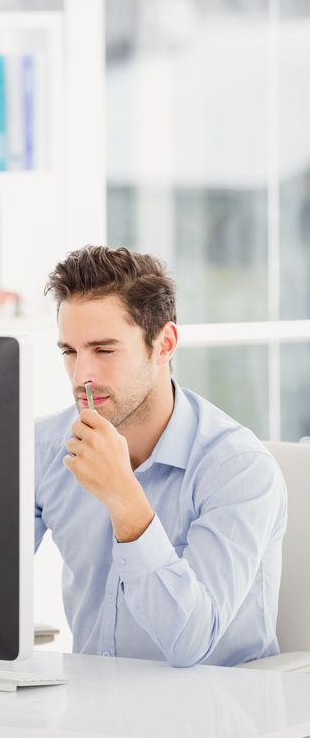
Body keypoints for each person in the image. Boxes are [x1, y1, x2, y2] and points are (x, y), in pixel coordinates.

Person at [35, 245, 287, 667]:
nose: (83, 376)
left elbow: (191, 642)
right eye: (70, 352)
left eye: (104, 350)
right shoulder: (44, 448)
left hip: (217, 716)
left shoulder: (238, 469)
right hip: (89, 712)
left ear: (163, 343)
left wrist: (124, 500)